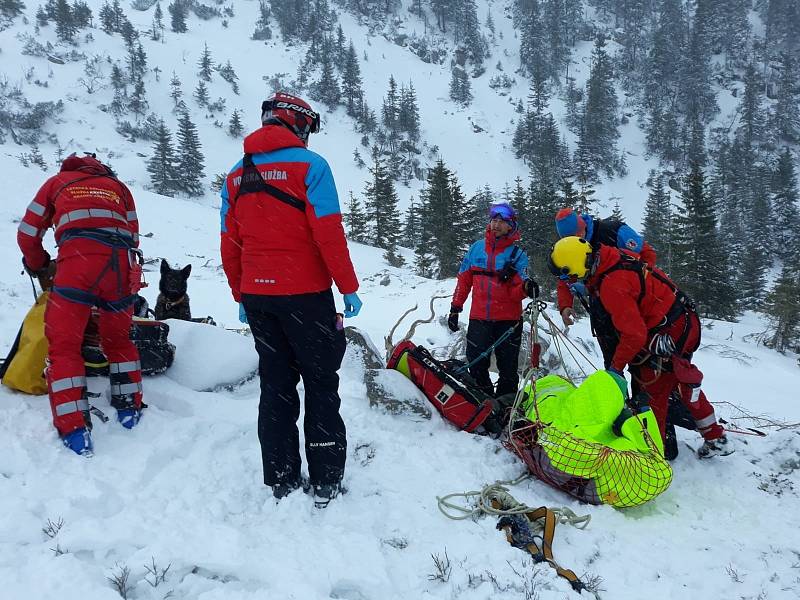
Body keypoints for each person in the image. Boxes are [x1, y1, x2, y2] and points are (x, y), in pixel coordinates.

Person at [220, 92, 361, 508]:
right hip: (306, 294)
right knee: (320, 383)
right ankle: (325, 479)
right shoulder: (312, 167)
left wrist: (241, 292)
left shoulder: (235, 174)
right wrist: (348, 286)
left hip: (260, 298)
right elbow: (328, 233)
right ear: (298, 123)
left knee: (276, 386)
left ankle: (281, 477)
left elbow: (231, 243)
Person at [547, 236, 730, 459]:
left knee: (652, 389)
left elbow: (634, 334)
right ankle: (714, 435)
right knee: (676, 380)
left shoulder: (612, 285)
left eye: (568, 275)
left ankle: (653, 453)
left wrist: (615, 368)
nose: (568, 280)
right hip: (679, 320)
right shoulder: (606, 257)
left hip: (668, 329)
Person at [17, 153, 144, 456]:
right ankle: (129, 409)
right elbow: (133, 235)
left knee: (64, 347)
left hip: (77, 265)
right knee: (119, 341)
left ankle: (75, 429)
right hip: (120, 267)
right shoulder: (118, 188)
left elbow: (27, 233)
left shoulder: (57, 183)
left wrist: (40, 262)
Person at [448, 202, 538, 398]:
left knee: (508, 369)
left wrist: (525, 288)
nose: (496, 224)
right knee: (476, 362)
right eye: (493, 220)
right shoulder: (476, 249)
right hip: (479, 318)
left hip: (509, 322)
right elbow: (463, 280)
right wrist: (455, 307)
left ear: (510, 226)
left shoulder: (518, 256)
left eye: (501, 221)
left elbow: (517, 291)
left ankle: (506, 407)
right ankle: (485, 401)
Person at [554, 207, 656, 331]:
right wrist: (565, 306)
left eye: (579, 234)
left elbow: (647, 255)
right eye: (572, 239)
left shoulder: (614, 231)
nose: (578, 239)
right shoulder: (568, 248)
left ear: (583, 225)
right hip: (602, 313)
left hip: (634, 304)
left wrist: (642, 290)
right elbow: (565, 278)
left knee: (635, 339)